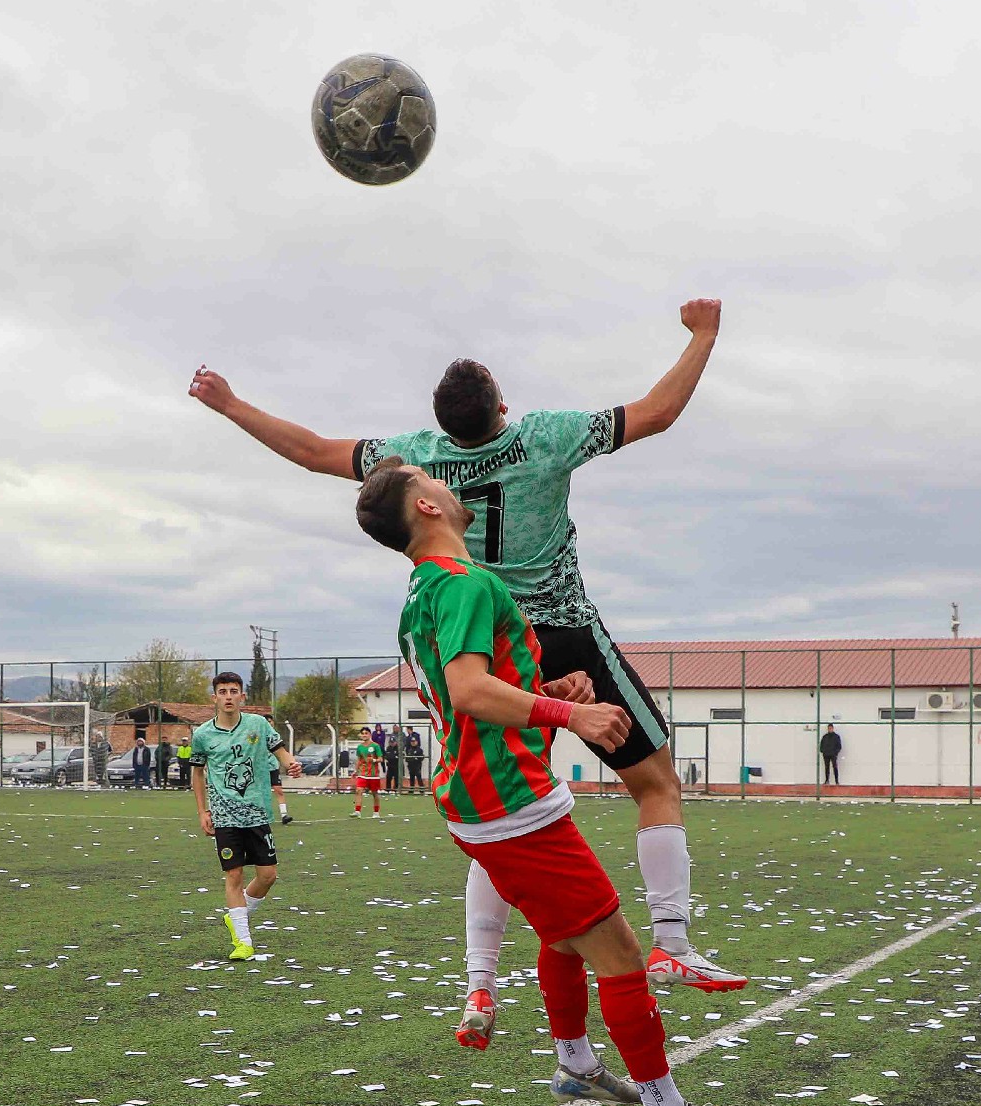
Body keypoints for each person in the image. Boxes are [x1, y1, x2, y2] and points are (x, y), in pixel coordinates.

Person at [191, 296, 748, 1055]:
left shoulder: (416, 454)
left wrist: (230, 406)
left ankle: (480, 978)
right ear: (504, 406)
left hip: (482, 642)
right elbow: (656, 412)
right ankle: (673, 943)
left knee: (502, 815)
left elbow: (317, 450)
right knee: (655, 785)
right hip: (558, 630)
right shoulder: (545, 436)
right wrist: (704, 335)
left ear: (440, 427)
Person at [356, 455, 744, 1106]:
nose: (446, 482)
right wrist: (575, 720)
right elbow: (471, 690)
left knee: (563, 934)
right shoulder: (466, 583)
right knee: (621, 952)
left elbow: (457, 696)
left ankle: (576, 1064)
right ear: (428, 509)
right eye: (431, 480)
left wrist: (549, 691)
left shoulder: (422, 595)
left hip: (474, 803)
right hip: (510, 805)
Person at [191, 670, 304, 961]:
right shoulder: (203, 734)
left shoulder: (258, 725)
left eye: (233, 691)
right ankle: (243, 941)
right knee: (235, 874)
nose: (228, 697)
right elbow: (198, 773)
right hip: (224, 816)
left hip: (256, 813)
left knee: (268, 875)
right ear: (214, 697)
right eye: (223, 691)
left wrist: (291, 764)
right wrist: (203, 810)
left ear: (242, 696)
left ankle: (236, 915)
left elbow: (280, 751)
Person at [352, 727, 386, 816]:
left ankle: (376, 812)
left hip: (373, 774)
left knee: (374, 793)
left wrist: (374, 760)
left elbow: (381, 759)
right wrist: (356, 771)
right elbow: (359, 759)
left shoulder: (375, 746)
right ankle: (357, 811)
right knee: (359, 790)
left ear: (370, 735)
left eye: (366, 733)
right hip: (362, 773)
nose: (364, 735)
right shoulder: (360, 747)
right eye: (362, 733)